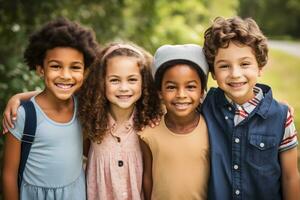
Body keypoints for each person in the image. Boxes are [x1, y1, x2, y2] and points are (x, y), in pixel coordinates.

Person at [202, 16, 300, 200]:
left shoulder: (281, 116)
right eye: (224, 66)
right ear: (213, 72)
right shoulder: (205, 105)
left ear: (260, 67)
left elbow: (290, 176)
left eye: (245, 64)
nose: (235, 74)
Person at [2, 18, 99, 200]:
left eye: (75, 67)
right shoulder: (22, 116)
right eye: (56, 66)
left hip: (75, 194)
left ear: (85, 71)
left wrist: (18, 96)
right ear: (40, 69)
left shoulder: (83, 106)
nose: (65, 75)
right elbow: (8, 175)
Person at [77, 42, 162, 200]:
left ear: (144, 83)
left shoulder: (151, 123)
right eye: (115, 80)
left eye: (132, 80)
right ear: (101, 82)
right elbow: (55, 98)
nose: (124, 88)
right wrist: (20, 97)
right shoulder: (90, 120)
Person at [140, 44, 210, 200]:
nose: (181, 95)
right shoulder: (148, 133)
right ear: (160, 93)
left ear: (201, 93)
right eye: (171, 87)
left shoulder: (211, 129)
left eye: (190, 87)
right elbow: (147, 178)